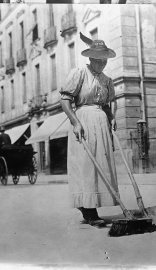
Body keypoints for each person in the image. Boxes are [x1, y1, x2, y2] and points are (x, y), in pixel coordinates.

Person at [60, 33, 119, 227]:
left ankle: (92, 206)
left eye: (104, 60)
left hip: (101, 123)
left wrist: (111, 118)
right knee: (86, 165)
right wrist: (76, 122)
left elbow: (107, 105)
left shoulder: (107, 80)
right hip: (83, 121)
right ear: (90, 58)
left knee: (101, 164)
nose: (101, 63)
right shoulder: (78, 73)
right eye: (98, 59)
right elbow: (65, 100)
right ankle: (88, 210)